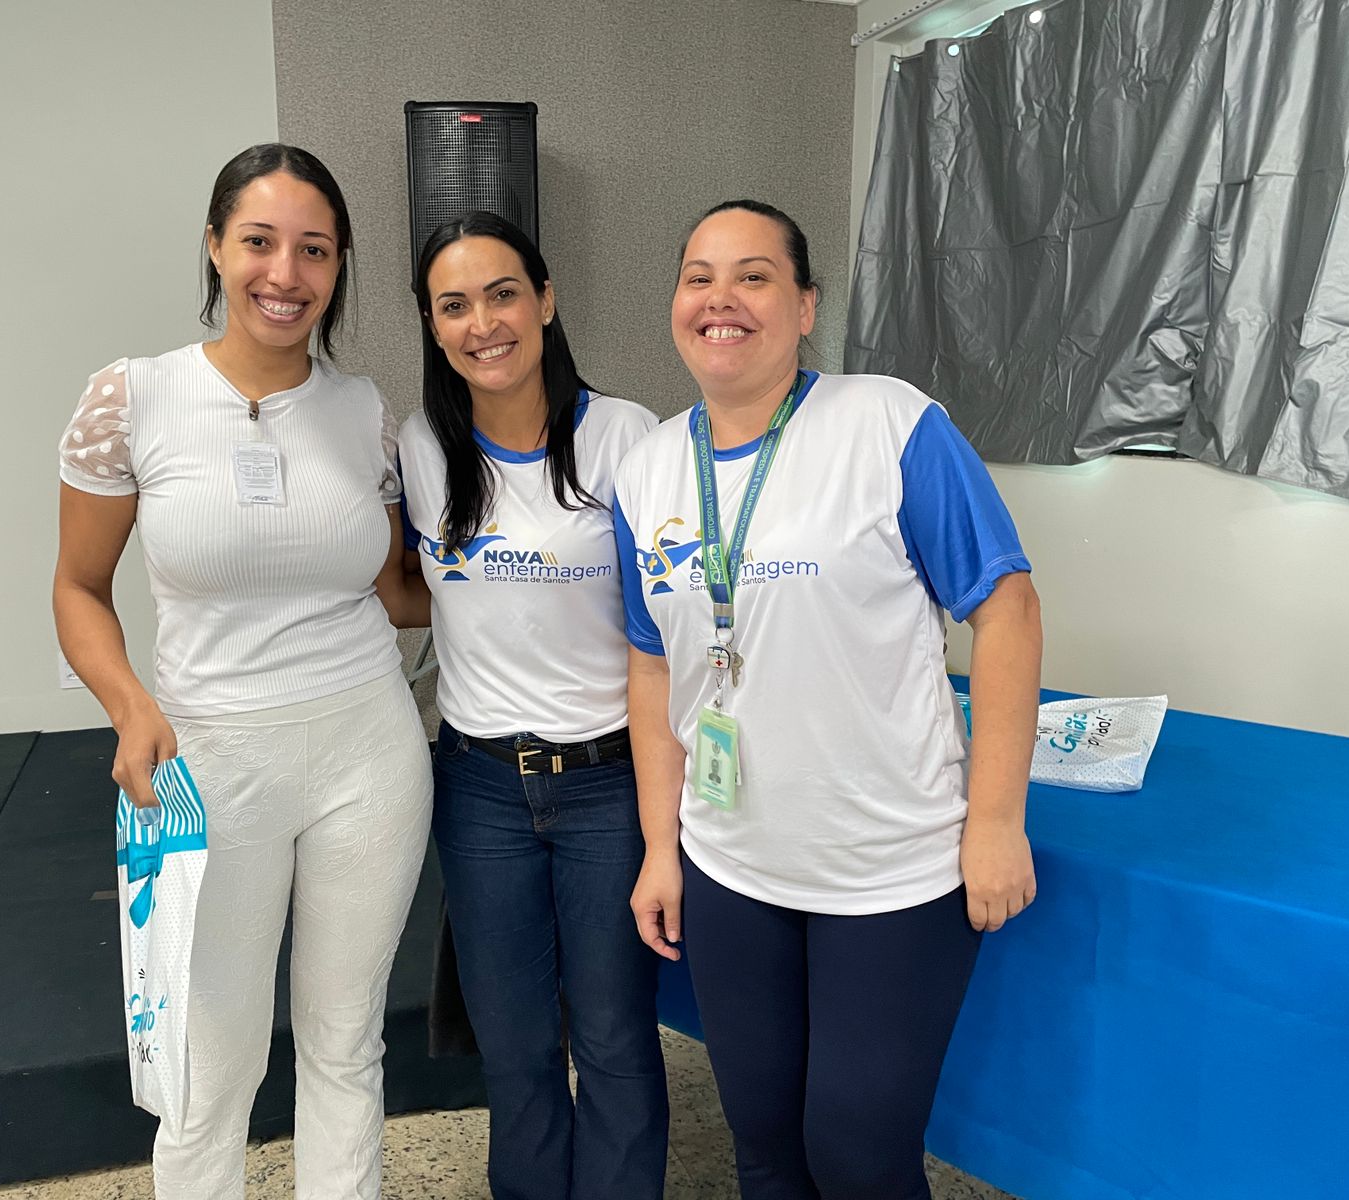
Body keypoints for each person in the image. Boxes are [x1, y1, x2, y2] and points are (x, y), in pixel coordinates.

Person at [615, 200, 1043, 1200]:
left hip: (888, 872)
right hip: (731, 866)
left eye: (754, 276)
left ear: (806, 306)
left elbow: (1009, 609)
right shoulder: (647, 471)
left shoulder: (888, 424)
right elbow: (652, 665)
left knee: (858, 1159)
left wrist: (995, 821)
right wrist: (662, 848)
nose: (720, 298)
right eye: (698, 277)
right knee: (763, 1147)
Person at [52, 143, 432, 1200]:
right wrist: (129, 706)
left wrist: (539, 579)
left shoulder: (364, 412)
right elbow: (78, 588)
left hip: (370, 751)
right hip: (210, 763)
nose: (285, 273)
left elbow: (399, 589)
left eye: (315, 250)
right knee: (209, 1069)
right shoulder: (133, 398)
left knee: (346, 1041)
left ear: (340, 265)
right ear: (216, 246)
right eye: (260, 241)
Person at [395, 211, 669, 1200]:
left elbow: (665, 626)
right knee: (513, 1050)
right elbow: (408, 589)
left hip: (607, 784)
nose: (483, 324)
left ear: (546, 301)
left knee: (614, 1042)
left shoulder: (625, 436)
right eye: (454, 305)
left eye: (503, 294)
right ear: (433, 325)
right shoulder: (421, 446)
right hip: (478, 790)